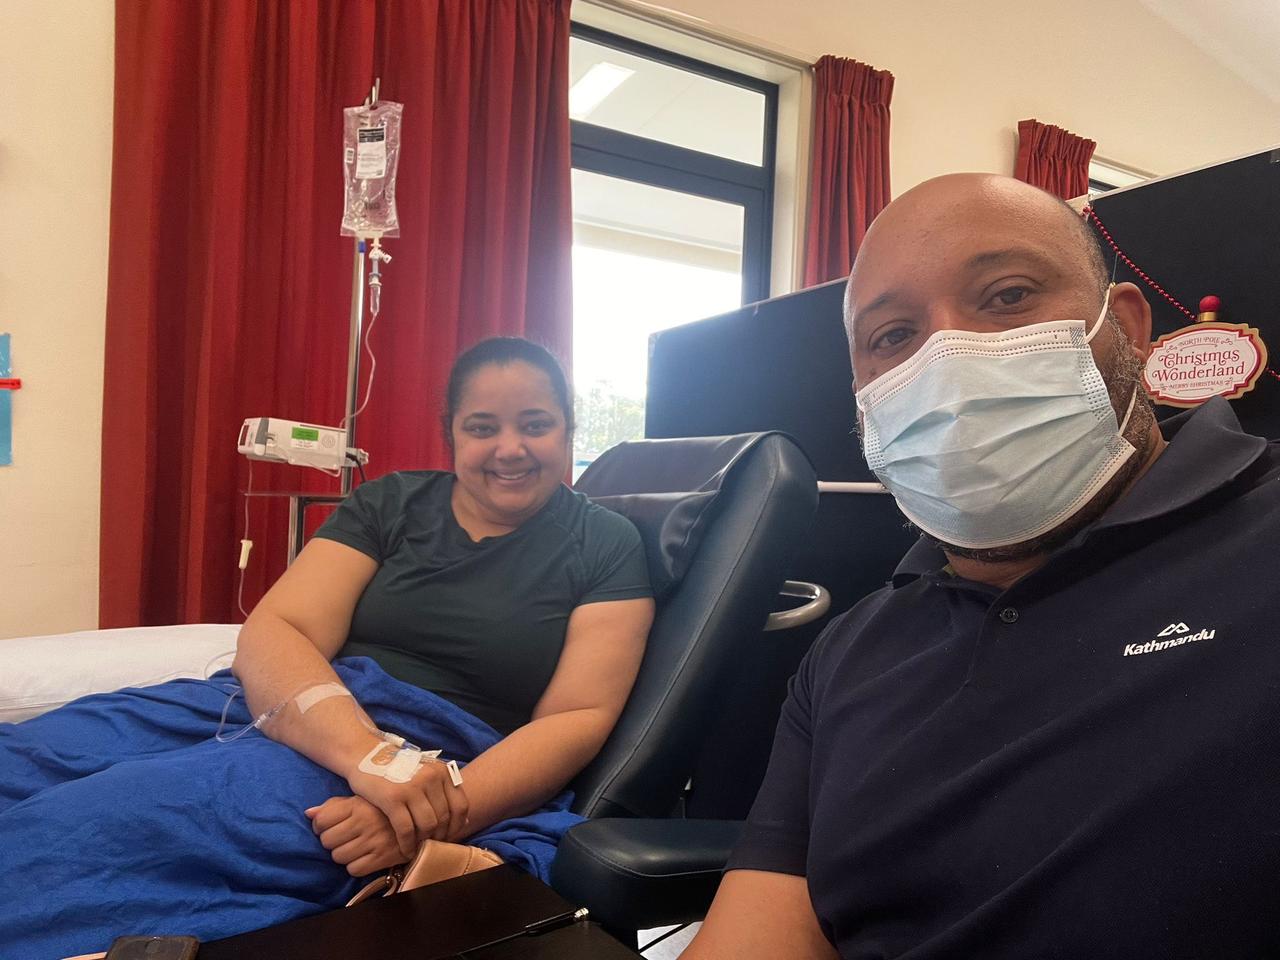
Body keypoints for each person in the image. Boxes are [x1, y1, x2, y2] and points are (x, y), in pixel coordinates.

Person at [683, 173, 1280, 959]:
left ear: (1130, 328)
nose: (949, 360)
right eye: (892, 336)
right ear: (861, 392)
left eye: (1008, 296)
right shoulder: (850, 652)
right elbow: (761, 933)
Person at [0, 337, 654, 958]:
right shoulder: (392, 503)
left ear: (568, 431)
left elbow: (577, 717)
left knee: (100, 824)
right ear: (452, 434)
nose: (510, 448)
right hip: (296, 708)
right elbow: (279, 629)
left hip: (429, 750)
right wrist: (367, 755)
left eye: (535, 424)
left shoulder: (604, 543)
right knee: (31, 756)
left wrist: (426, 812)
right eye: (483, 427)